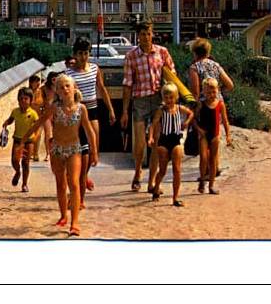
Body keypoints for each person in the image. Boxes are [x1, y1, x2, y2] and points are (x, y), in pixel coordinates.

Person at [22, 74, 97, 237]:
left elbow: (89, 132)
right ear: (57, 91)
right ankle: (63, 215)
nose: (64, 89)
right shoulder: (54, 107)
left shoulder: (81, 109)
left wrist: (94, 152)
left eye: (67, 86)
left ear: (73, 88)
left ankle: (75, 223)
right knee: (60, 184)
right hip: (56, 149)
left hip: (74, 149)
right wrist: (23, 140)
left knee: (74, 184)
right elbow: (39, 123)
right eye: (61, 86)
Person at [121, 21, 176, 193]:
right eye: (142, 34)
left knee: (156, 142)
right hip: (140, 100)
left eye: (148, 33)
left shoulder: (162, 52)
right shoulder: (132, 56)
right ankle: (138, 171)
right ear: (138, 36)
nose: (145, 37)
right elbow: (128, 84)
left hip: (158, 100)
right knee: (140, 142)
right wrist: (124, 111)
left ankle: (152, 181)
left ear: (153, 34)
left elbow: (171, 75)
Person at [66, 36, 116, 209]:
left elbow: (101, 89)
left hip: (93, 110)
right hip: (77, 114)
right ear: (75, 54)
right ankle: (77, 195)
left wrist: (110, 109)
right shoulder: (69, 73)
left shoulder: (95, 69)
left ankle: (83, 178)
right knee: (78, 154)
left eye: (86, 53)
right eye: (80, 53)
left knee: (93, 151)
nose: (83, 57)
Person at [188, 38, 234, 180]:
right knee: (215, 135)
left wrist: (194, 108)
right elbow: (230, 84)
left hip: (204, 106)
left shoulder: (194, 67)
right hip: (217, 104)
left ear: (195, 53)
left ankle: (208, 170)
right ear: (208, 52)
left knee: (204, 138)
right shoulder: (216, 65)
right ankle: (216, 167)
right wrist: (219, 93)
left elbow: (196, 91)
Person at [147, 83, 195, 207]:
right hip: (164, 141)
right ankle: (156, 188)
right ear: (163, 98)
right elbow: (153, 124)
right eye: (166, 97)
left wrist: (186, 123)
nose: (169, 100)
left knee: (177, 170)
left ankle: (175, 198)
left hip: (176, 140)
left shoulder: (180, 108)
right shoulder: (161, 110)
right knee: (162, 170)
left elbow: (191, 114)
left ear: (176, 97)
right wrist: (151, 137)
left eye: (171, 97)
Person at [196, 78, 232, 194]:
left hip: (215, 135)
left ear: (218, 91)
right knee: (204, 159)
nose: (211, 95)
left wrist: (228, 135)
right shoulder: (201, 104)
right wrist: (199, 130)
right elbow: (193, 119)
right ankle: (202, 179)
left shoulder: (220, 104)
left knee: (213, 161)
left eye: (213, 92)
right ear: (203, 92)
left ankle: (211, 185)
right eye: (208, 93)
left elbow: (225, 121)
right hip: (204, 135)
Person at [1, 87, 39, 193]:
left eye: (26, 99)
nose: (23, 101)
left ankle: (25, 184)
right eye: (21, 98)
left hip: (29, 141)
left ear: (30, 100)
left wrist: (35, 136)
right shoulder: (15, 112)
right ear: (18, 100)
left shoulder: (33, 114)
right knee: (14, 160)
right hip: (17, 139)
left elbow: (37, 127)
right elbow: (10, 120)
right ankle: (17, 172)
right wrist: (6, 123)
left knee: (26, 163)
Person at [28, 75, 44, 161]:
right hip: (29, 117)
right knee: (30, 135)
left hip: (39, 116)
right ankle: (29, 153)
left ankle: (36, 154)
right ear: (31, 83)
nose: (38, 83)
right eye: (36, 82)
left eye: (39, 81)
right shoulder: (28, 92)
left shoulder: (41, 92)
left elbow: (43, 103)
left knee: (38, 135)